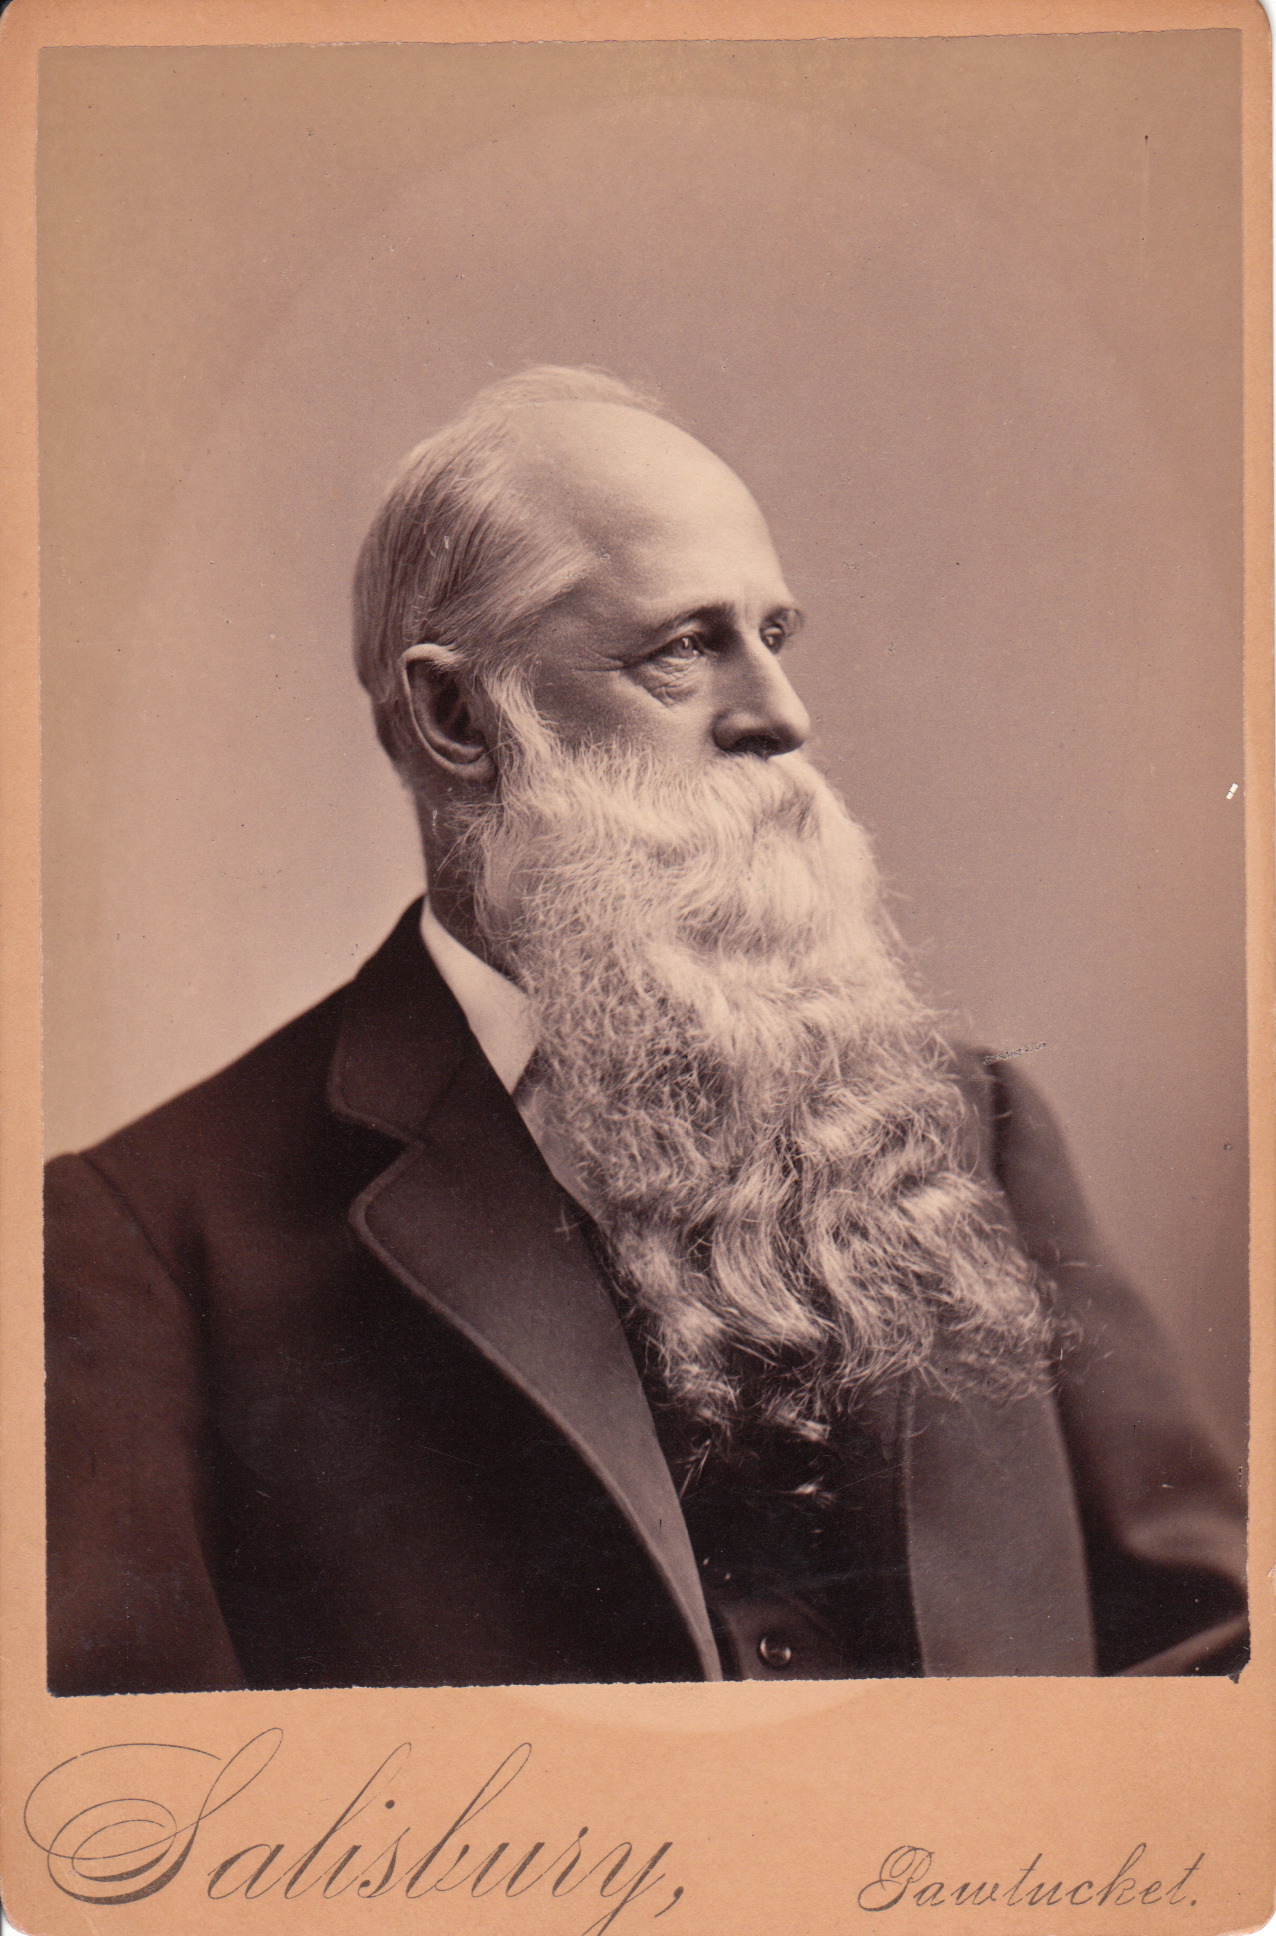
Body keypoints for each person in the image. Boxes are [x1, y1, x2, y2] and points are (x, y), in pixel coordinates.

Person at [44, 367, 1246, 1695]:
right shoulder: (153, 1241)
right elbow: (158, 1789)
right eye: (683, 648)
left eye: (774, 635)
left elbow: (1212, 1657)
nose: (782, 715)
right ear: (459, 718)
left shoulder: (972, 1126)